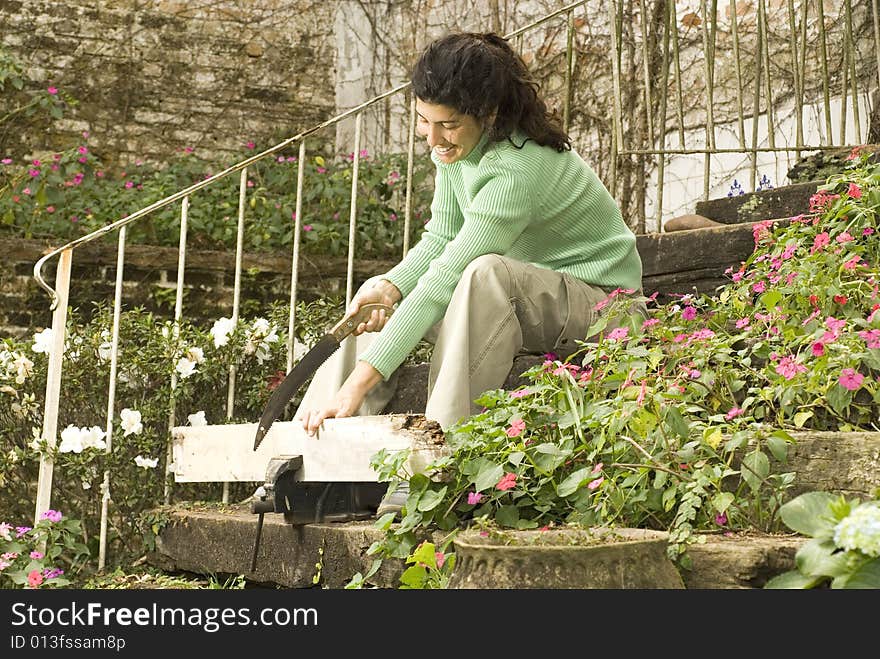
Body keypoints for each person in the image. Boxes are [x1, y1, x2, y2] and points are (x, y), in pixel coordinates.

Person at [295, 31, 645, 513]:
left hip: (602, 305)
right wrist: (391, 285)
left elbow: (447, 277)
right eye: (423, 121)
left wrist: (360, 382)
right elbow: (441, 239)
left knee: (481, 275)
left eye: (449, 125)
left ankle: (437, 470)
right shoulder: (460, 152)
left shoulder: (517, 168)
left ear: (490, 115)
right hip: (521, 298)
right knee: (376, 299)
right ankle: (314, 465)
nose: (434, 139)